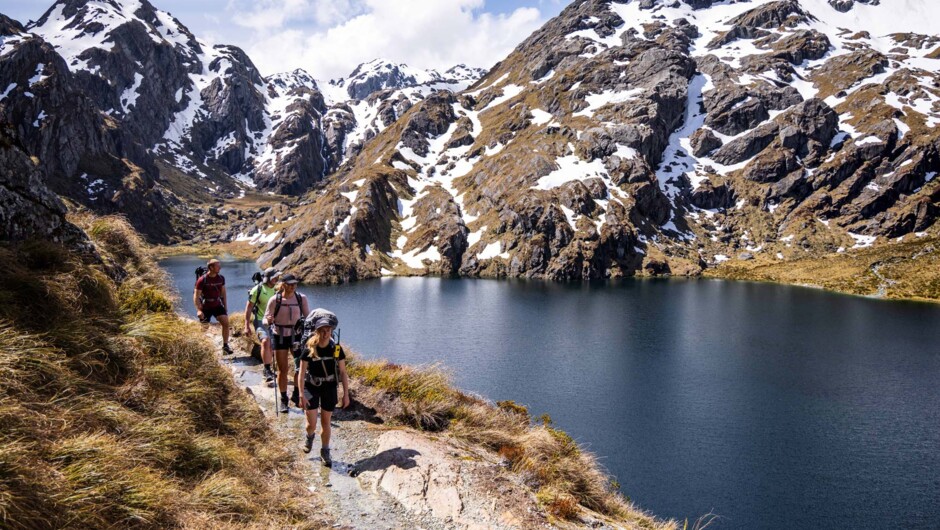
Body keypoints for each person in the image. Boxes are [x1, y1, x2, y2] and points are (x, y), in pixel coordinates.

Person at [299, 309, 349, 467]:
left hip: (329, 388)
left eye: (328, 330)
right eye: (323, 330)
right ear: (317, 331)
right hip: (311, 387)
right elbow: (301, 373)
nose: (326, 333)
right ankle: (309, 436)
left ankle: (325, 450)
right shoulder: (308, 349)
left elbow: (343, 372)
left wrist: (345, 394)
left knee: (326, 422)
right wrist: (301, 394)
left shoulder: (336, 349)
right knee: (311, 424)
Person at [264, 273, 309, 414]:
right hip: (280, 336)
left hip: (297, 336)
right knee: (283, 370)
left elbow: (308, 317)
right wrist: (268, 321)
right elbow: (265, 319)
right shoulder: (275, 300)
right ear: (283, 284)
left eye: (295, 284)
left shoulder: (301, 299)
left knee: (299, 367)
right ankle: (284, 398)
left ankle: (296, 393)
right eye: (290, 284)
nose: (292, 287)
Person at [244, 267, 279, 381]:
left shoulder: (276, 290)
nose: (277, 279)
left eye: (277, 277)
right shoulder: (257, 290)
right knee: (265, 341)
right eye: (275, 277)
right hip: (259, 320)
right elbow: (248, 308)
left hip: (272, 322)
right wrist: (246, 326)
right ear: (268, 278)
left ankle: (269, 368)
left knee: (272, 347)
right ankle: (267, 369)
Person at [194, 258, 231, 354]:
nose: (220, 267)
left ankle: (225, 346)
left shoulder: (221, 278)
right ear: (211, 267)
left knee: (226, 323)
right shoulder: (202, 280)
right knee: (204, 328)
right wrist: (199, 310)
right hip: (206, 306)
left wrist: (225, 306)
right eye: (217, 266)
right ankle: (199, 346)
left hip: (217, 305)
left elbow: (223, 293)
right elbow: (196, 296)